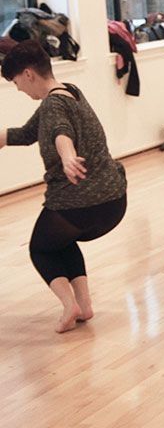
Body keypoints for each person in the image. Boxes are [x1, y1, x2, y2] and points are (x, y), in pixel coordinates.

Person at [1, 40, 128, 333]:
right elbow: (26, 133)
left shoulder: (53, 105)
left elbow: (61, 133)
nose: (19, 89)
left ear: (29, 74)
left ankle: (69, 305)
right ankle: (84, 306)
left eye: (16, 82)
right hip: (113, 200)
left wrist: (68, 156)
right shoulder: (69, 91)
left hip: (81, 202)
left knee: (40, 249)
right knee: (60, 240)